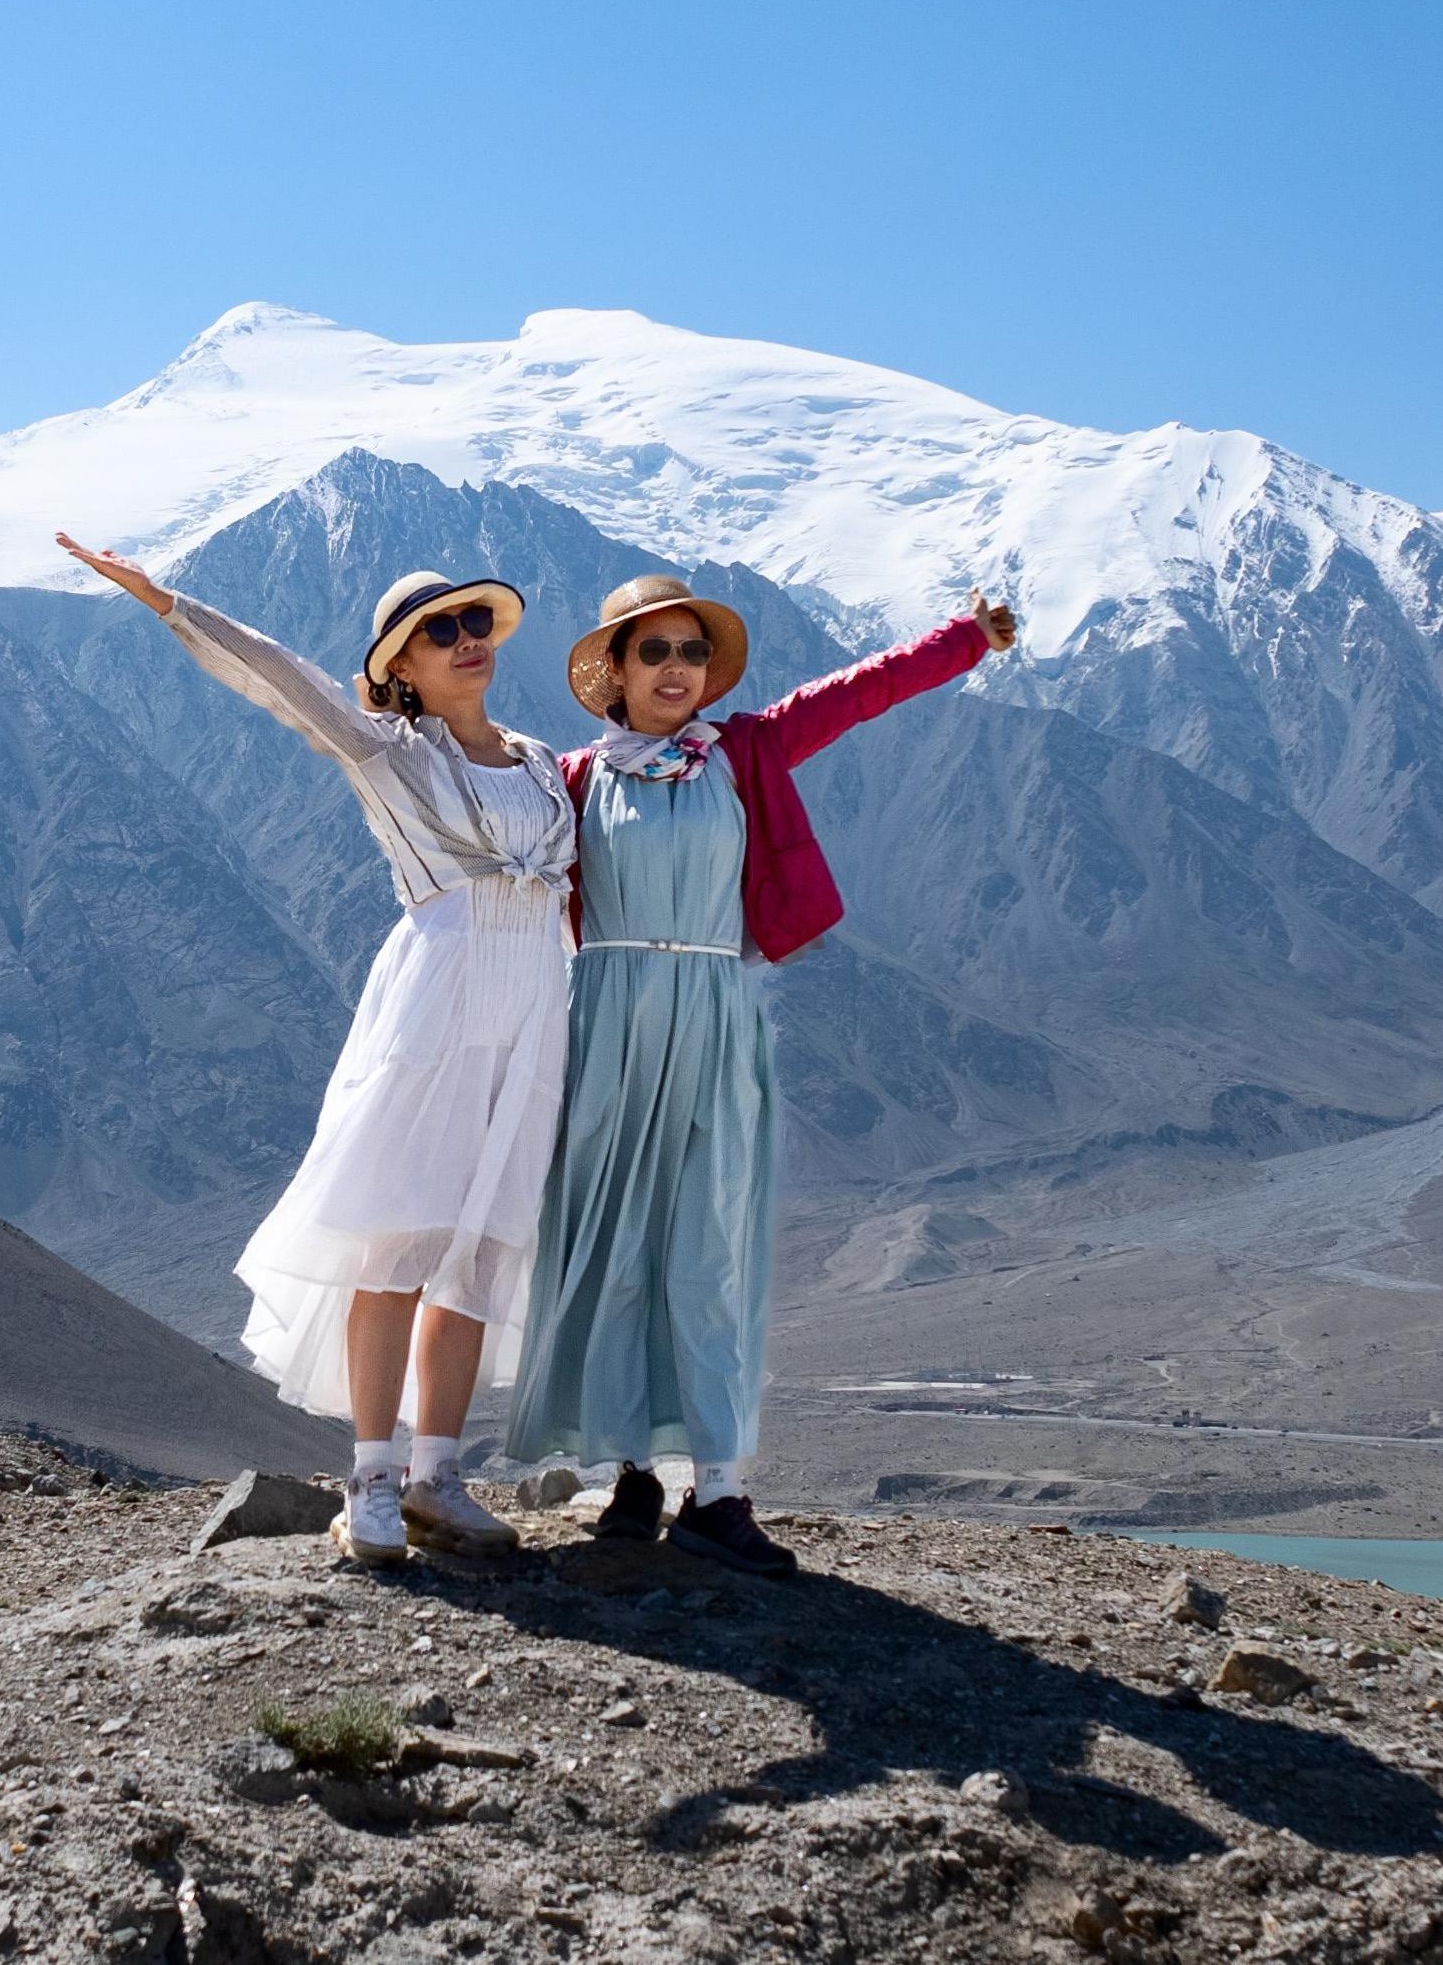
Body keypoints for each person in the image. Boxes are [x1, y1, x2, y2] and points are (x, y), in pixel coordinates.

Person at [56, 533, 574, 1567]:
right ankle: (371, 1477)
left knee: (479, 1248)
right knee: (397, 1241)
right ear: (401, 667)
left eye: (476, 620)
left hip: (533, 1016)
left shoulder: (541, 764)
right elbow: (282, 681)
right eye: (439, 631)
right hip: (437, 1009)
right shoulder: (391, 755)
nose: (467, 639)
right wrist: (169, 603)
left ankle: (436, 1477)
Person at [505, 572, 1018, 1574]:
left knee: (707, 1250)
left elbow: (857, 694)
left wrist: (964, 641)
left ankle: (718, 1490)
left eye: (692, 651)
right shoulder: (569, 778)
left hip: (710, 1015)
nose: (676, 668)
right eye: (654, 650)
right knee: (613, 1246)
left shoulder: (743, 752)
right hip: (603, 1022)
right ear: (615, 669)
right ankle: (629, 1474)